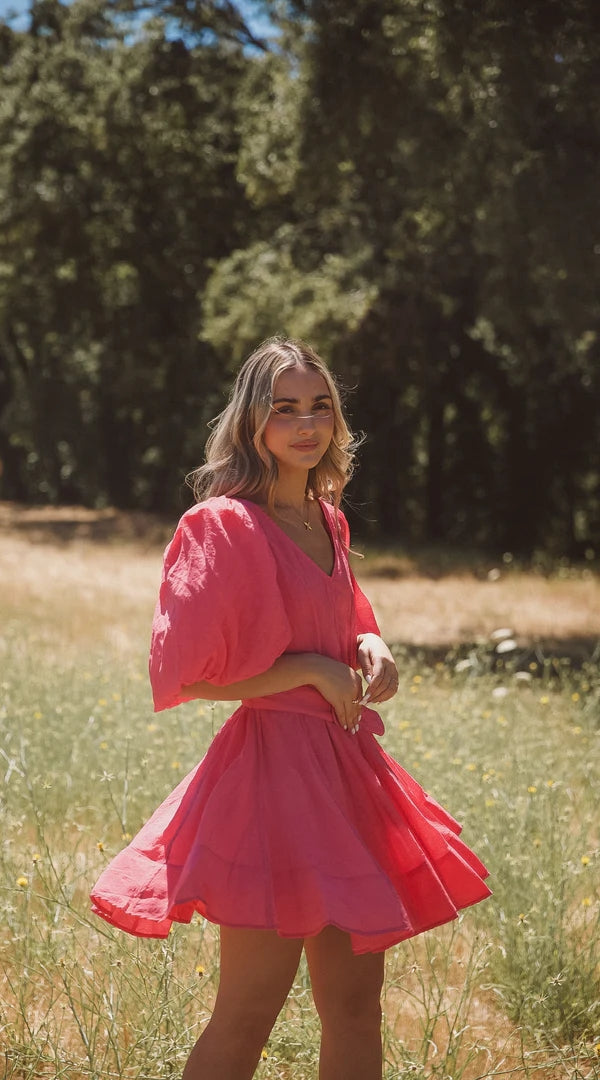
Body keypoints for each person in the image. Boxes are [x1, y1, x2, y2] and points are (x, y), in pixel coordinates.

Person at [91, 337, 491, 1080]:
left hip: (345, 780)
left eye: (321, 407)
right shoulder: (222, 525)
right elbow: (188, 676)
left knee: (354, 1004)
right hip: (269, 785)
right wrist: (306, 668)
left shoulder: (328, 518)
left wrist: (372, 643)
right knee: (248, 1012)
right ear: (252, 422)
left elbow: (346, 618)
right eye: (285, 410)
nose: (307, 425)